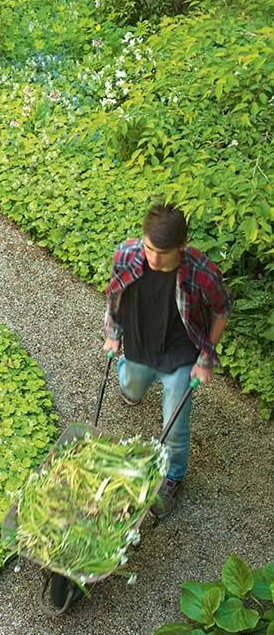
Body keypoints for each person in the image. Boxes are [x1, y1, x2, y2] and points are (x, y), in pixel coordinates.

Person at [103, 203, 233, 518]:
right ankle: (132, 380)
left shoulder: (202, 273)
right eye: (149, 248)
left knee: (174, 423)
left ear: (182, 247)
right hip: (140, 342)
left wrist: (206, 358)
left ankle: (173, 477)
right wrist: (113, 332)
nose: (154, 259)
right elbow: (115, 295)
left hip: (181, 353)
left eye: (163, 253)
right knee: (132, 388)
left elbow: (221, 310)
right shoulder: (126, 255)